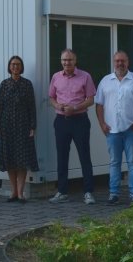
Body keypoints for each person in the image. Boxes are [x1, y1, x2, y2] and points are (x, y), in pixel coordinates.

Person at [95, 51, 133, 205]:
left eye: (123, 61)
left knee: (132, 162)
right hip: (112, 130)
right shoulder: (105, 81)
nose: (120, 63)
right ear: (113, 62)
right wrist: (102, 124)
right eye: (117, 61)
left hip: (131, 129)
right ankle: (114, 194)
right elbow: (99, 104)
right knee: (114, 163)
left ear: (128, 62)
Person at [48, 49, 97, 205]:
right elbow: (51, 97)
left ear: (75, 61)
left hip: (79, 120)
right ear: (61, 61)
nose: (66, 63)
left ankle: (88, 192)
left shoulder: (85, 76)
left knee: (84, 156)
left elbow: (91, 99)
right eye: (64, 60)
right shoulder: (56, 77)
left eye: (69, 60)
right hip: (61, 121)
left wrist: (75, 108)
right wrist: (58, 105)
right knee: (62, 157)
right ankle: (62, 191)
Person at [0, 56, 39, 203]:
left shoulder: (27, 84)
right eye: (13, 64)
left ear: (21, 67)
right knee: (10, 159)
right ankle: (13, 192)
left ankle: (21, 193)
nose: (15, 67)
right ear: (9, 66)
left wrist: (33, 126)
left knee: (22, 160)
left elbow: (32, 106)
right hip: (6, 127)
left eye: (18, 64)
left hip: (23, 126)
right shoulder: (4, 84)